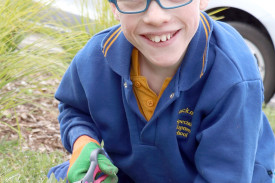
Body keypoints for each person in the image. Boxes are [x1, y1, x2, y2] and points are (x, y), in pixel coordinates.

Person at [48, 0, 275, 182]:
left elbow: (224, 176)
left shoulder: (233, 78)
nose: (156, 17)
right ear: (114, 7)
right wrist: (83, 142)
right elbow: (74, 108)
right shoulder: (96, 58)